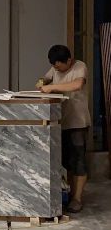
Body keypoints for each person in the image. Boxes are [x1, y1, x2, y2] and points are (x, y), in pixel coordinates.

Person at [38, 44, 90, 213]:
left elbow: (77, 84)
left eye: (59, 66)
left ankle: (77, 198)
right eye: (54, 66)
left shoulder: (80, 67)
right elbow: (46, 78)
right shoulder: (55, 68)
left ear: (69, 60)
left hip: (77, 122)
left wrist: (52, 87)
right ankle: (70, 194)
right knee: (67, 162)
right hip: (61, 121)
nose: (56, 69)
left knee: (79, 161)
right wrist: (43, 82)